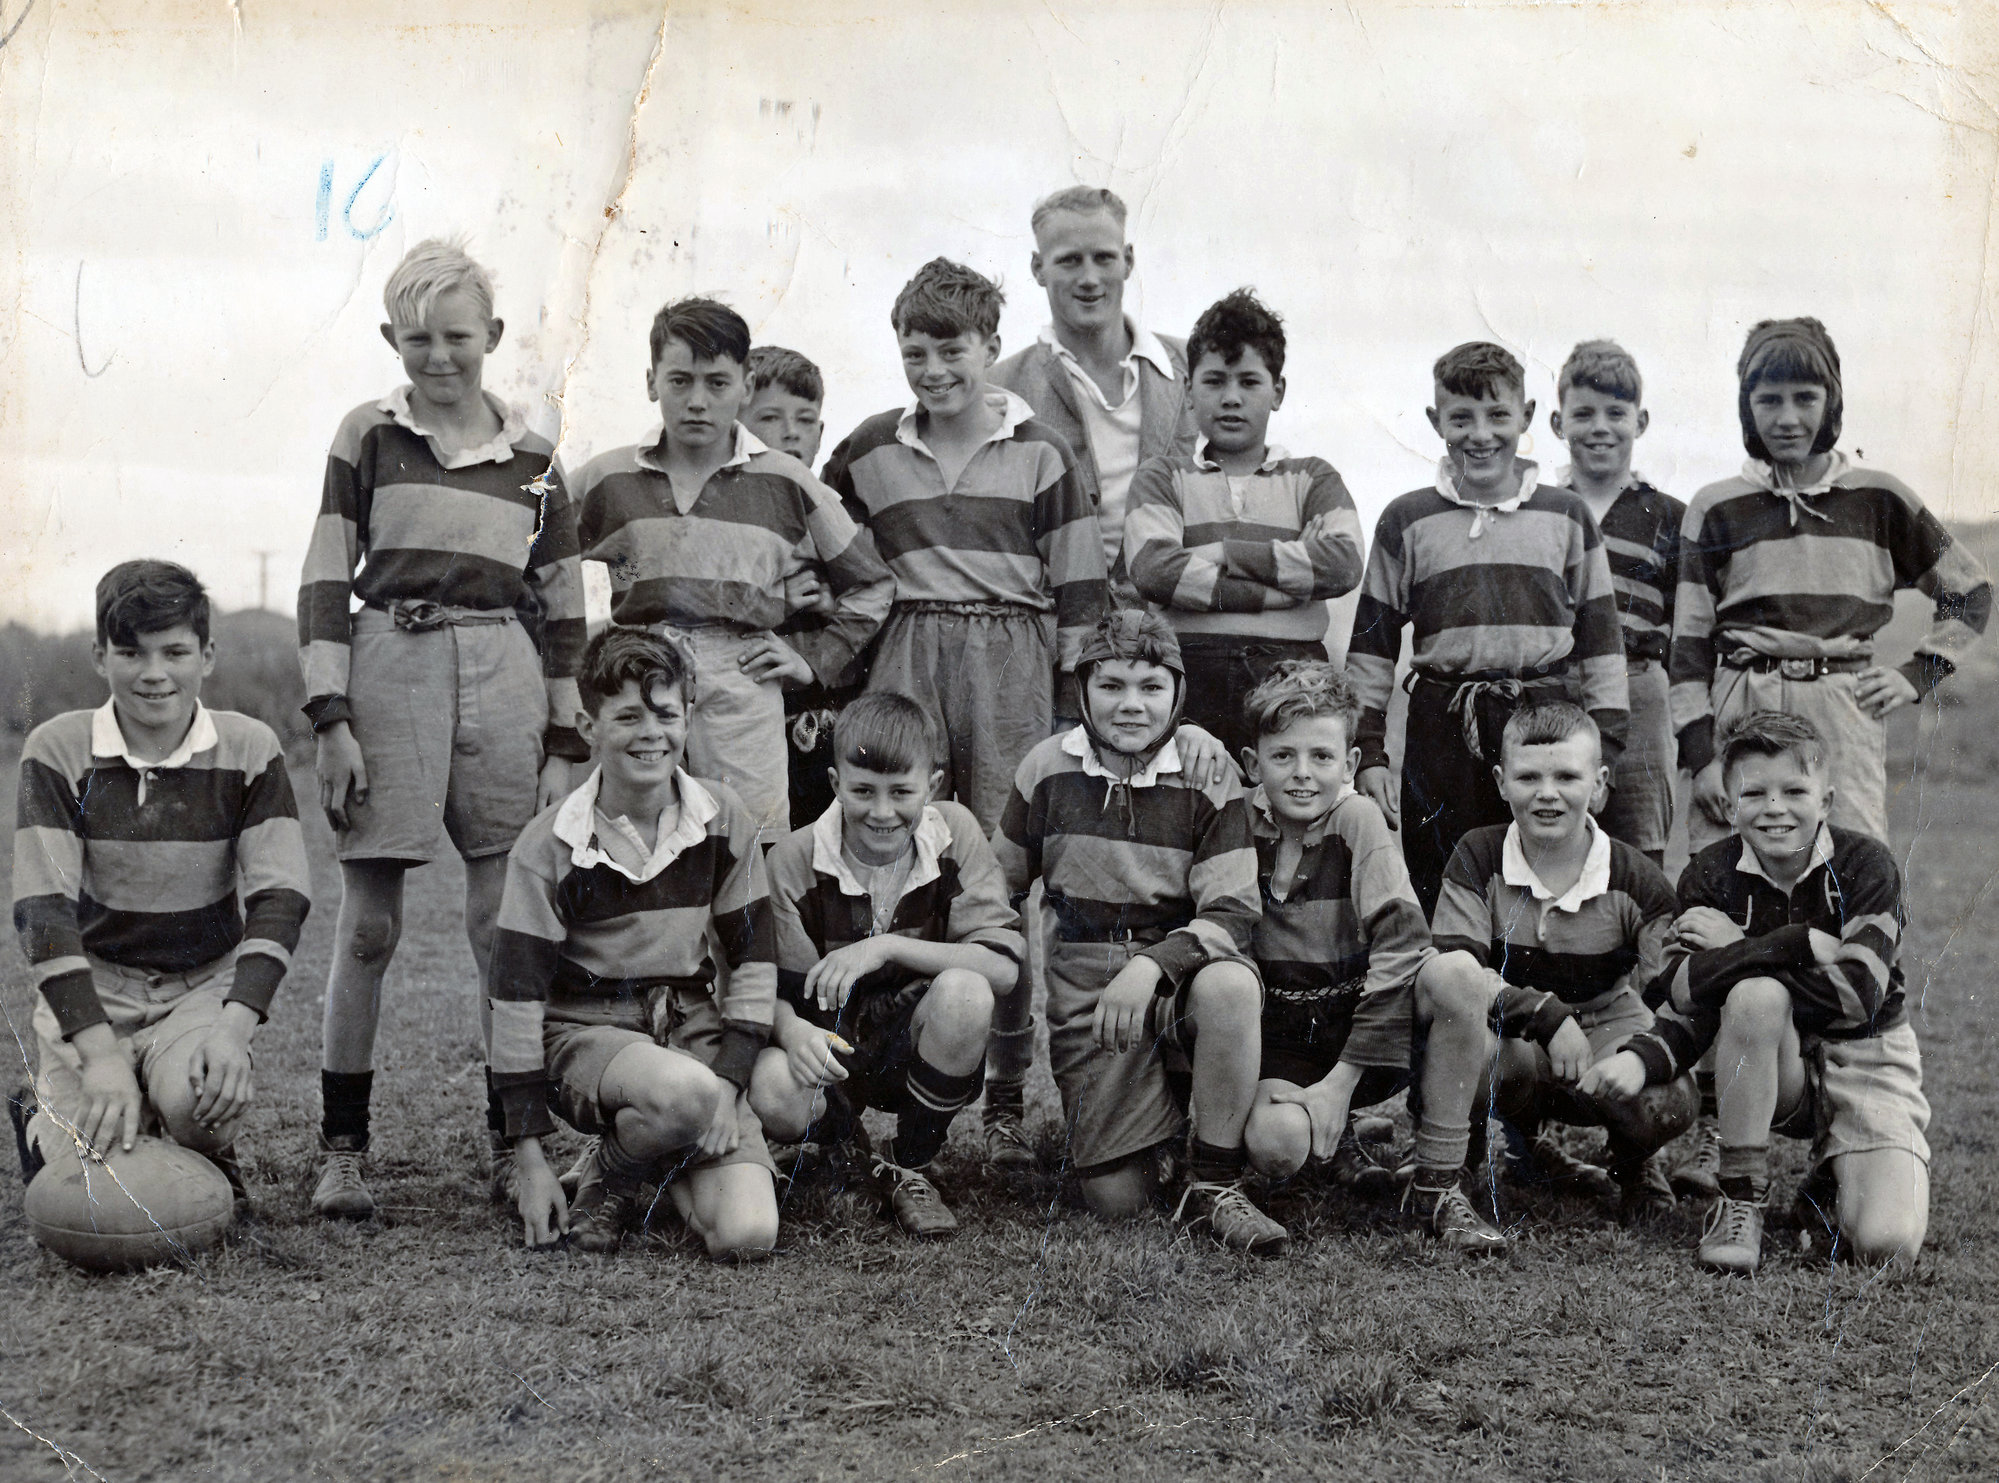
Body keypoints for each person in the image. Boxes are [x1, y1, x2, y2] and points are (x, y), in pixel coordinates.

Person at [297, 238, 587, 1221]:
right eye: (417, 339)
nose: (439, 357)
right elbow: (327, 577)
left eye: (457, 337)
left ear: (492, 337)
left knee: (498, 921)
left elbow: (564, 605)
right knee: (370, 923)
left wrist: (563, 735)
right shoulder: (367, 435)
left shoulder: (538, 456)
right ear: (392, 338)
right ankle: (343, 1147)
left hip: (502, 670)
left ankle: (516, 1142)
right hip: (393, 667)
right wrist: (331, 719)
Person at [14, 561, 311, 1215]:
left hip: (197, 989)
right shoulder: (57, 749)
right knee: (84, 1189)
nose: (154, 673)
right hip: (98, 986)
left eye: (174, 651)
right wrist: (97, 1054)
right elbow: (43, 911)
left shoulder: (250, 747)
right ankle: (44, 1123)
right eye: (131, 652)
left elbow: (281, 895)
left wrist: (233, 1031)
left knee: (201, 1106)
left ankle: (188, 1132)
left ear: (207, 655)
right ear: (100, 656)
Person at [1583, 712, 1929, 1274]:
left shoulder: (1867, 864)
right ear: (1729, 802)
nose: (1775, 807)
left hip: (1867, 1055)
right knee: (1755, 996)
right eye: (1755, 792)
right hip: (1767, 1052)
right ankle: (1740, 1197)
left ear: (1827, 800)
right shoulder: (1708, 875)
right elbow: (1676, 988)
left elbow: (1856, 997)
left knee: (1885, 1244)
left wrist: (1740, 945)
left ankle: (1830, 1179)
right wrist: (1798, 943)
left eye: (1795, 791)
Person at [991, 610, 1288, 1253]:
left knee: (1232, 987)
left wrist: (1151, 965)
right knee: (1116, 1201)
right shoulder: (1046, 768)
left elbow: (1234, 911)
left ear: (1178, 693)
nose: (1132, 705)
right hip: (1086, 988)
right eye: (1112, 686)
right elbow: (999, 890)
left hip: (1176, 976)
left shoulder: (1207, 772)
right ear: (1082, 691)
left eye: (1152, 688)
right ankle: (1157, 1139)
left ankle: (1213, 1178)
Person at [488, 628, 780, 1262]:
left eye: (666, 714)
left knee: (745, 1233)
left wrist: (730, 1087)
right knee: (685, 1095)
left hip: (689, 1036)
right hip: (588, 1034)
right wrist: (529, 1157)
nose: (651, 733)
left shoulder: (723, 817)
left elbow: (754, 963)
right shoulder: (548, 845)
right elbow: (514, 1004)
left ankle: (639, 1164)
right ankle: (614, 1171)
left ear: (689, 716)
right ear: (587, 726)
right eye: (627, 716)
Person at [574, 298, 894, 849]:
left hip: (743, 674)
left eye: (717, 383)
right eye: (680, 381)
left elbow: (871, 584)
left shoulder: (784, 480)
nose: (697, 401)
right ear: (651, 382)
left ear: (746, 385)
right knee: (636, 836)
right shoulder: (609, 478)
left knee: (749, 841)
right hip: (638, 671)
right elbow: (533, 560)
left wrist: (810, 659)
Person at [1672, 317, 1990, 856]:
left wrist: (1920, 672)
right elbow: (1688, 644)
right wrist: (1701, 758)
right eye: (1769, 400)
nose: (1788, 418)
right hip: (1742, 703)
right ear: (1746, 407)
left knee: (1852, 863)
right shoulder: (1715, 506)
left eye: (1805, 398)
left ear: (1832, 402)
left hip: (1842, 709)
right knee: (1728, 866)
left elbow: (1971, 591)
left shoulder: (1878, 497)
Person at [1231, 662, 1508, 1254]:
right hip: (1285, 1034)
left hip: (1364, 1029)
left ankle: (1438, 1183)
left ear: (1350, 765)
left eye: (1322, 758)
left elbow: (1403, 944)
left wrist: (1341, 1083)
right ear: (1253, 765)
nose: (1303, 775)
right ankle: (1343, 1141)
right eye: (1283, 757)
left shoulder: (1358, 819)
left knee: (1456, 974)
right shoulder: (1236, 823)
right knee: (1278, 1146)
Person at [1346, 340, 1629, 917]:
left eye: (1499, 415)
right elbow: (1371, 650)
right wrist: (1370, 752)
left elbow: (1602, 643)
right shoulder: (1408, 518)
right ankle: (1452, 994)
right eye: (1461, 418)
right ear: (1435, 422)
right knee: (1441, 879)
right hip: (1442, 724)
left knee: (1541, 879)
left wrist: (1608, 752)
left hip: (1543, 718)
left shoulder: (1565, 514)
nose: (1481, 434)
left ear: (1526, 418)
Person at [750, 693, 1023, 1238]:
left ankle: (910, 1164)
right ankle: (846, 1148)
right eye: (862, 791)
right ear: (834, 785)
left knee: (967, 991)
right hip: (829, 1037)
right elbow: (762, 985)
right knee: (774, 1085)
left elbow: (1003, 969)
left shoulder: (955, 833)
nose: (882, 811)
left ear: (934, 784)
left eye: (902, 792)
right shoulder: (791, 861)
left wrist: (885, 947)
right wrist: (792, 1030)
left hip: (915, 1039)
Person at [1422, 702, 1700, 1220]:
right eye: (1529, 776)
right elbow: (1454, 968)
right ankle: (1474, 1157)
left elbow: (1675, 991)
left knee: (1668, 1097)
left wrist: (1639, 1056)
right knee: (1465, 1042)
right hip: (1517, 1036)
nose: (1547, 793)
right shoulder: (1477, 856)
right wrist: (1545, 1015)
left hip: (1605, 1028)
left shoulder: (1635, 877)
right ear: (1502, 783)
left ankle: (1634, 1162)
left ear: (1598, 785)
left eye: (1567, 776)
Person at [1123, 289, 1364, 756]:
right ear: (1189, 391)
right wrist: (1284, 588)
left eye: (1249, 382)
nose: (1231, 398)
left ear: (1278, 391)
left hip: (1294, 677)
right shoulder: (1161, 476)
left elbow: (1343, 563)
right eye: (1214, 381)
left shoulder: (1313, 477)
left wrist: (1225, 553)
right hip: (1188, 674)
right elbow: (1154, 570)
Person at [992, 185, 1198, 585]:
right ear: (1037, 268)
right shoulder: (1000, 388)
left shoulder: (1195, 366)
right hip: (1054, 628)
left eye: (1103, 257)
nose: (1089, 278)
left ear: (1128, 261)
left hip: (1175, 627)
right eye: (1069, 261)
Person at [1551, 339, 1685, 866]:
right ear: (1559, 424)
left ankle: (1640, 949)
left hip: (1641, 691)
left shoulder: (1671, 515)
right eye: (1583, 414)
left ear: (1641, 420)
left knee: (1638, 846)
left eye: (1616, 413)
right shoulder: (1542, 507)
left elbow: (1685, 621)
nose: (1600, 427)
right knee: (1554, 833)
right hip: (1555, 686)